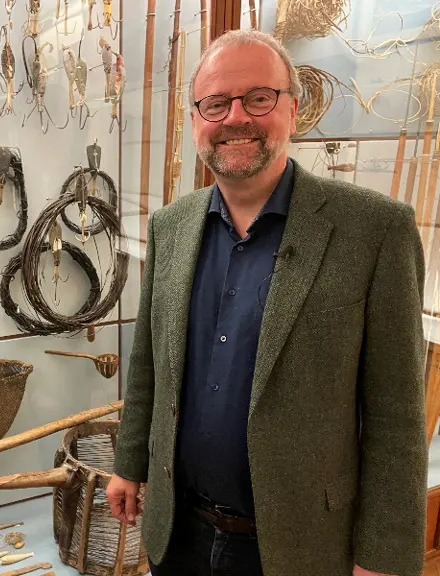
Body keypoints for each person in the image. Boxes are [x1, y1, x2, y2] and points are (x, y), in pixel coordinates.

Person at [107, 29, 427, 576]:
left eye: (258, 98)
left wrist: (384, 556)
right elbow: (148, 368)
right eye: (215, 103)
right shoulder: (170, 227)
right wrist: (129, 463)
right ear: (195, 120)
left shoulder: (375, 230)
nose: (235, 117)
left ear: (293, 109)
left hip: (299, 547)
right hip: (178, 533)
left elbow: (396, 417)